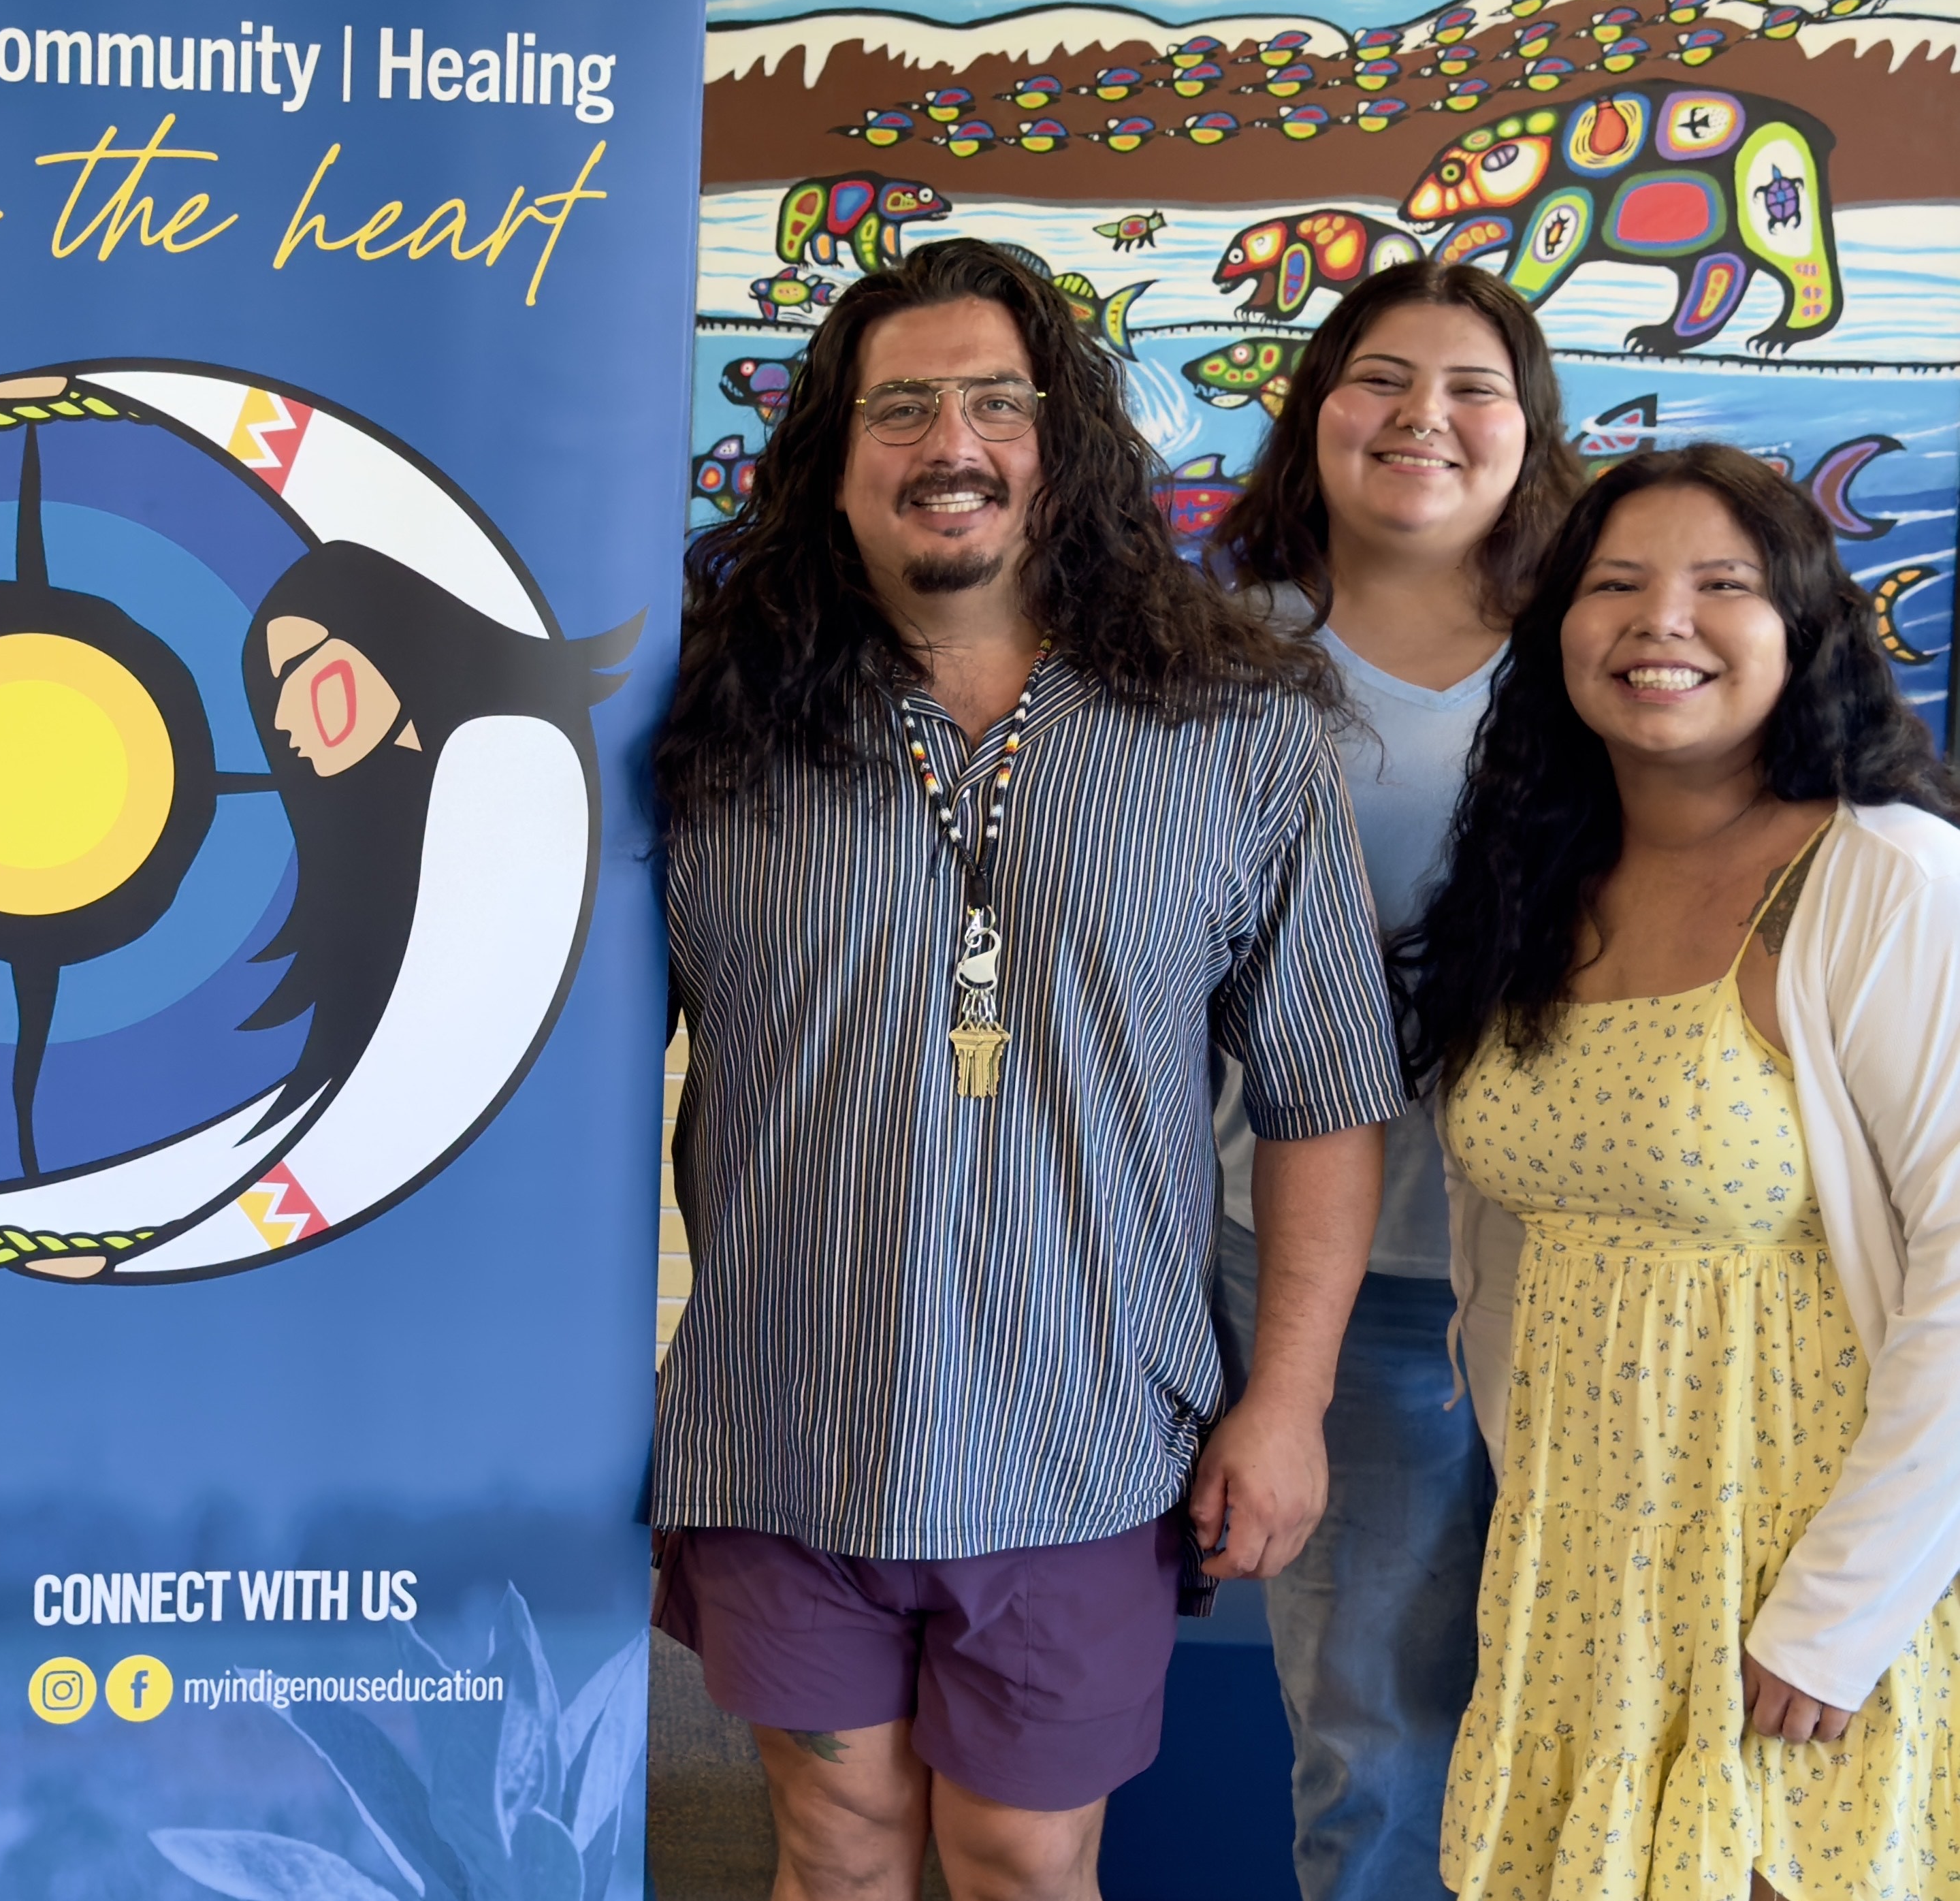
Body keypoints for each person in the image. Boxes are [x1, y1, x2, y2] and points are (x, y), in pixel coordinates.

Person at [649, 239, 1405, 1901]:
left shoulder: (1235, 730)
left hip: (1085, 1437)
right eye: (900, 406)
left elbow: (1324, 1099)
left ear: (1063, 445)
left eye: (999, 399)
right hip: (786, 1420)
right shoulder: (707, 727)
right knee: (833, 1847)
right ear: (830, 464)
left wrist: (1284, 1403)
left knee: (1021, 1858)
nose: (952, 441)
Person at [1403, 445, 1960, 1901]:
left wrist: (1839, 1614)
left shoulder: (1885, 880)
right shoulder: (1530, 884)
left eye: (1722, 585)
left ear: (1801, 631)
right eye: (1615, 584)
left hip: (1809, 1555)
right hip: (1581, 1554)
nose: (1663, 620)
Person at [1195, 261, 1581, 1901]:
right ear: (1315, 409)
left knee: (1597, 1698)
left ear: (1528, 427)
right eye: (1379, 376)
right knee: (1373, 1719)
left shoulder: (1609, 644)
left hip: (1585, 1262)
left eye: (1471, 384)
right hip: (1339, 1283)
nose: (1423, 414)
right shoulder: (1213, 656)